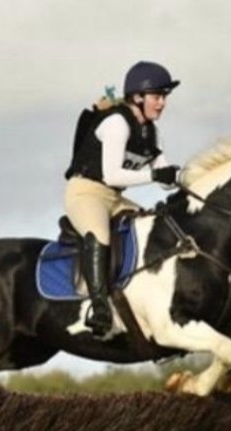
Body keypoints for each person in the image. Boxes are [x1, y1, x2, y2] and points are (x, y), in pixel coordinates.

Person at [64, 61, 182, 336]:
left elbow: (166, 177)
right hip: (85, 193)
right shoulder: (117, 123)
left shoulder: (152, 132)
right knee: (101, 236)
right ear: (138, 98)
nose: (162, 103)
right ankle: (99, 308)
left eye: (164, 97)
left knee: (156, 227)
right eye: (157, 96)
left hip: (115, 199)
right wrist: (155, 176)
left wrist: (188, 177)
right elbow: (112, 175)